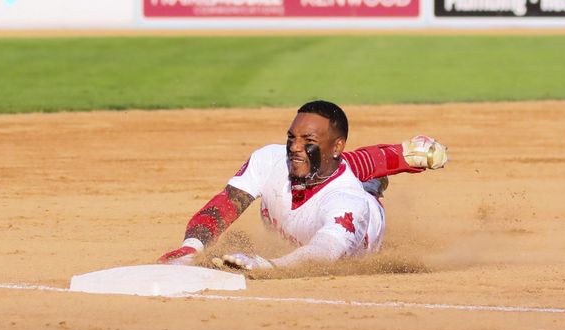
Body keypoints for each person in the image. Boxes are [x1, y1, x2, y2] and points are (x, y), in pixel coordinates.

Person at [159, 100, 447, 270]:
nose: (294, 147)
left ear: (336, 144)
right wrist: (192, 246)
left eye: (307, 141)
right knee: (316, 165)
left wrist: (269, 266)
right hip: (327, 168)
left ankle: (375, 181)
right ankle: (393, 157)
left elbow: (326, 249)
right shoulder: (270, 158)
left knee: (346, 176)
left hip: (360, 214)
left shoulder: (347, 201)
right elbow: (226, 203)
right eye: (291, 137)